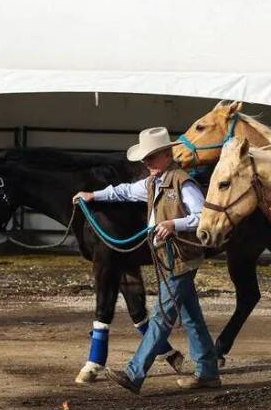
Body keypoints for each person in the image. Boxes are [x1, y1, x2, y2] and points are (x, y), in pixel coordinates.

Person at [73, 126, 220, 393]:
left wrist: (174, 224)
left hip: (181, 258)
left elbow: (202, 217)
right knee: (191, 318)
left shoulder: (183, 182)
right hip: (167, 258)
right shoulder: (153, 183)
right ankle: (208, 371)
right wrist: (94, 195)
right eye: (144, 158)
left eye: (150, 157)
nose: (145, 162)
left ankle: (134, 373)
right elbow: (125, 192)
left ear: (165, 155)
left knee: (162, 316)